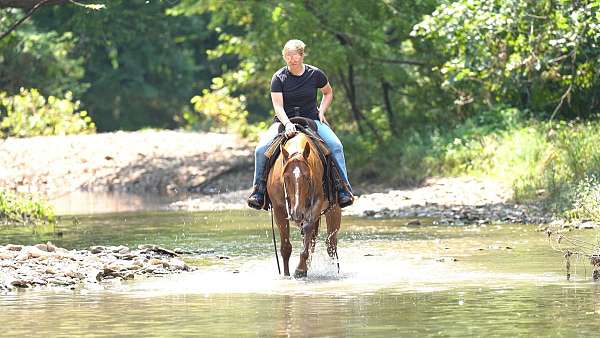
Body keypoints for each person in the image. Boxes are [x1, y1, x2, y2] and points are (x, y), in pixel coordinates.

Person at [247, 39, 354, 210]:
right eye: (288, 56)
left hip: (311, 120)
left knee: (336, 146)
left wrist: (322, 111)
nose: (291, 59)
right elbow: (278, 106)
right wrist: (287, 123)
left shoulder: (315, 74)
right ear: (284, 57)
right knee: (260, 150)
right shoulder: (278, 77)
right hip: (284, 122)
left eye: (294, 55)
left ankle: (343, 189)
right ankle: (258, 191)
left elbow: (328, 92)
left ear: (302, 55)